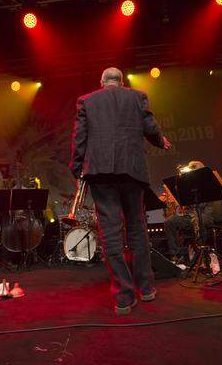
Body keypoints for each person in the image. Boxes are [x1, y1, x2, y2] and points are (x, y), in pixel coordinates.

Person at [70, 67, 171, 315]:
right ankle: (146, 288)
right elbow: (150, 125)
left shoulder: (87, 100)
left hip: (101, 172)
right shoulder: (137, 96)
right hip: (132, 170)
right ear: (122, 81)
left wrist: (76, 166)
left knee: (111, 234)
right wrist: (161, 140)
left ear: (102, 81)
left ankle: (124, 297)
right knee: (137, 228)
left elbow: (79, 135)